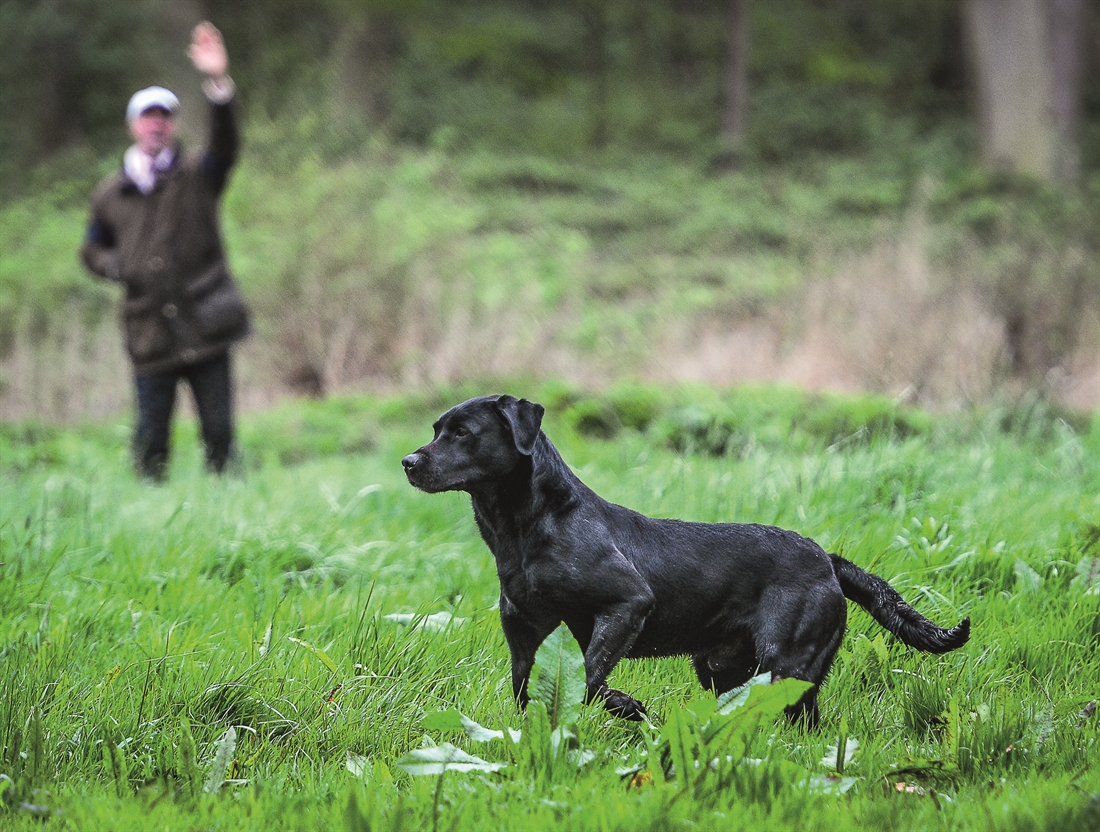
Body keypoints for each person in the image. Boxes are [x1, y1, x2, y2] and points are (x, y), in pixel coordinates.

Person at [81, 22, 250, 481]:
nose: (156, 122)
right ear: (133, 125)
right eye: (148, 115)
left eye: (165, 115)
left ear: (172, 124)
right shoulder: (110, 193)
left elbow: (227, 145)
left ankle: (230, 507)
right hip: (148, 329)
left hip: (206, 319)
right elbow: (91, 250)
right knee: (151, 437)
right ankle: (149, 508)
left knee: (219, 433)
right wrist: (120, 267)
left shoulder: (199, 174)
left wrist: (218, 84)